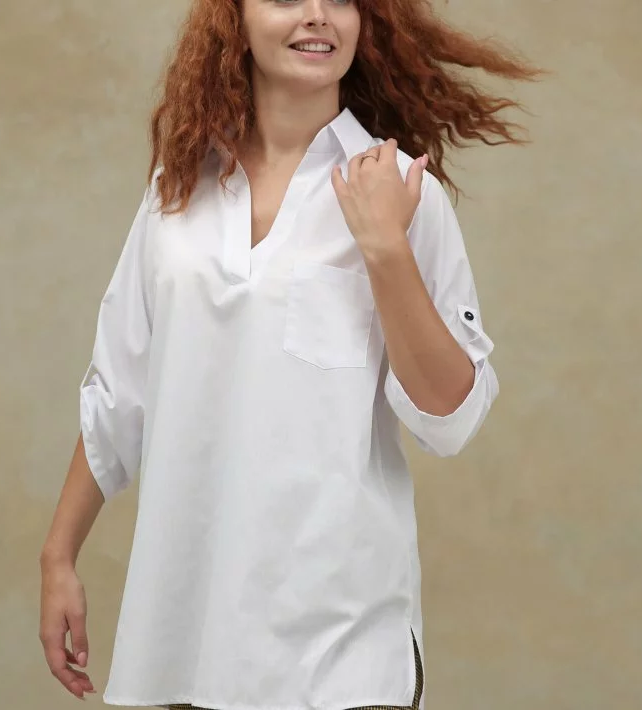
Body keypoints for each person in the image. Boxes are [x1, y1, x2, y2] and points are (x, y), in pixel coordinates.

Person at [39, 0, 540, 707]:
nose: (317, 15)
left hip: (343, 651)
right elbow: (120, 393)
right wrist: (59, 555)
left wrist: (385, 248)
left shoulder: (403, 193)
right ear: (234, 19)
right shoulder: (175, 191)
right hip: (183, 642)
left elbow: (450, 420)